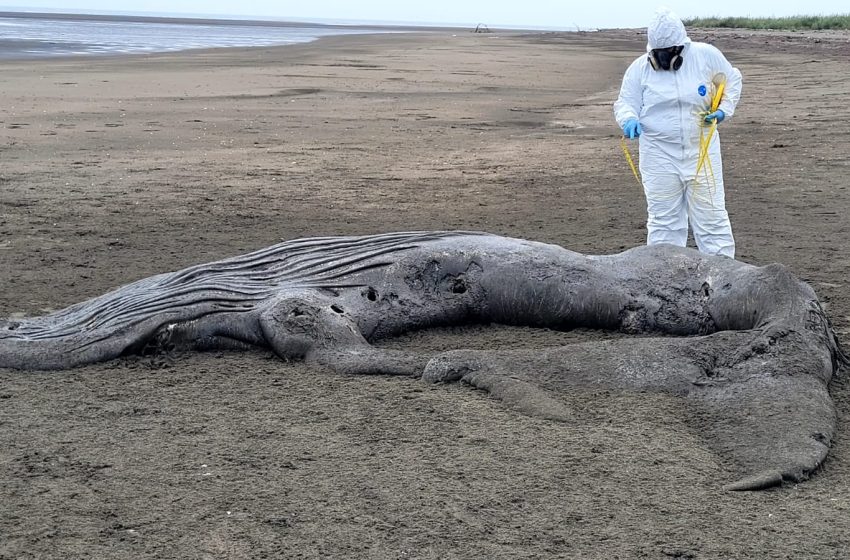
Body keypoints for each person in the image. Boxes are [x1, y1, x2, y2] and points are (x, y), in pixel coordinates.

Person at [614, 7, 742, 258]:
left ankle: (723, 277)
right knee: (664, 220)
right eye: (659, 54)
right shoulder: (639, 69)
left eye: (669, 54)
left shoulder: (706, 56)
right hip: (658, 153)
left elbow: (732, 79)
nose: (664, 60)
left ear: (681, 48)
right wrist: (628, 119)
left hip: (701, 150)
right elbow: (625, 101)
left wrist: (725, 109)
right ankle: (664, 275)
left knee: (712, 217)